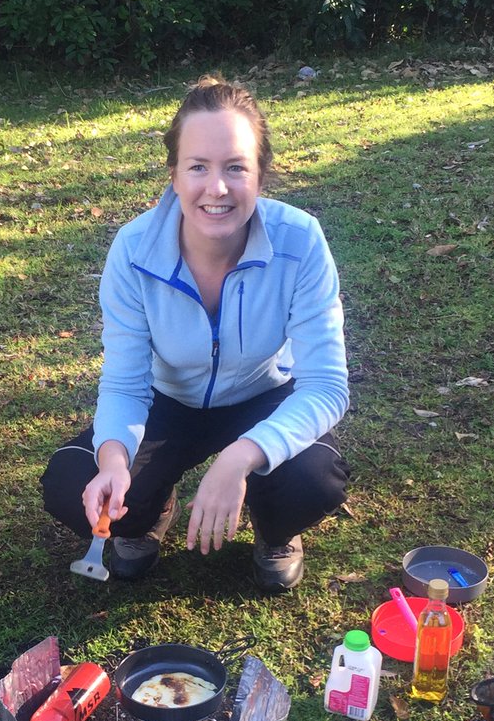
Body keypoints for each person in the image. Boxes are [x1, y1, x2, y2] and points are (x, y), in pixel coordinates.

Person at [40, 75, 349, 593]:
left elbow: (325, 385)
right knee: (74, 485)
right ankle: (151, 507)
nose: (217, 188)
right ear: (174, 175)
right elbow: (124, 383)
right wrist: (114, 460)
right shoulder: (134, 249)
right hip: (169, 402)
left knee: (313, 481)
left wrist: (240, 456)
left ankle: (276, 531)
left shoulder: (301, 241)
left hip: (263, 396)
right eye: (198, 167)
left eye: (236, 167)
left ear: (260, 175)